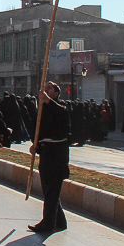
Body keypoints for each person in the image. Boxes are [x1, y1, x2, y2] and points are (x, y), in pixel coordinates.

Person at [29, 82, 71, 235]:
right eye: (45, 88)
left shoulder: (62, 106)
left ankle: (48, 224)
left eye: (50, 88)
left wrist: (47, 100)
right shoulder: (42, 109)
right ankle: (60, 221)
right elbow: (37, 128)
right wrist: (35, 145)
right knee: (49, 188)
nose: (46, 90)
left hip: (57, 153)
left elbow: (62, 117)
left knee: (53, 188)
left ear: (57, 93)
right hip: (45, 152)